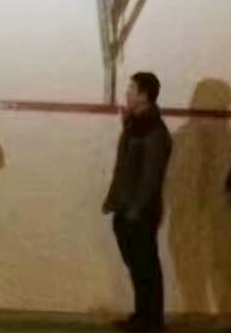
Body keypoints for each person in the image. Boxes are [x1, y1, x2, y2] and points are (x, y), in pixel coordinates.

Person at [102, 72, 172, 332]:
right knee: (138, 266)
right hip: (128, 209)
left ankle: (152, 321)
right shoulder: (137, 126)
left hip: (140, 212)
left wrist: (135, 210)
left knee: (146, 267)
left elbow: (150, 177)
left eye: (132, 89)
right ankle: (143, 316)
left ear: (144, 95)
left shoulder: (154, 131)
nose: (127, 93)